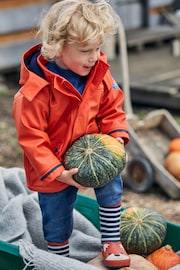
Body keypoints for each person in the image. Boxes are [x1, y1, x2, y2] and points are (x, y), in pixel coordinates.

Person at [12, 0, 130, 268]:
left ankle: (111, 241)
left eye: (98, 48)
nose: (94, 56)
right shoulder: (33, 93)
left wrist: (116, 138)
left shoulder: (98, 72)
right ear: (57, 48)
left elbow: (112, 108)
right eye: (86, 50)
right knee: (56, 212)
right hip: (52, 164)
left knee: (110, 178)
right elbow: (32, 139)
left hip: (91, 151)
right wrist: (58, 172)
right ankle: (59, 255)